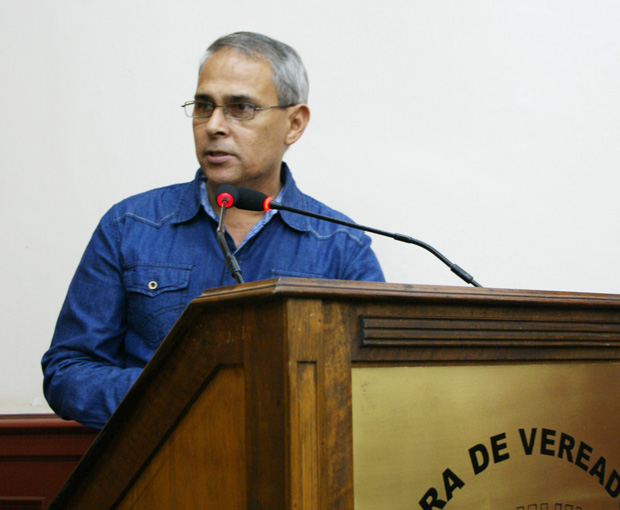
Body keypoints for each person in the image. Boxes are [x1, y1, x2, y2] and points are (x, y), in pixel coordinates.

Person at [42, 32, 384, 429]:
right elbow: (67, 371)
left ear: (294, 123)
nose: (214, 126)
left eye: (240, 108)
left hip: (291, 478)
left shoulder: (342, 246)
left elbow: (370, 386)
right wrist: (186, 394)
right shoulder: (129, 227)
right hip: (157, 477)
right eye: (204, 106)